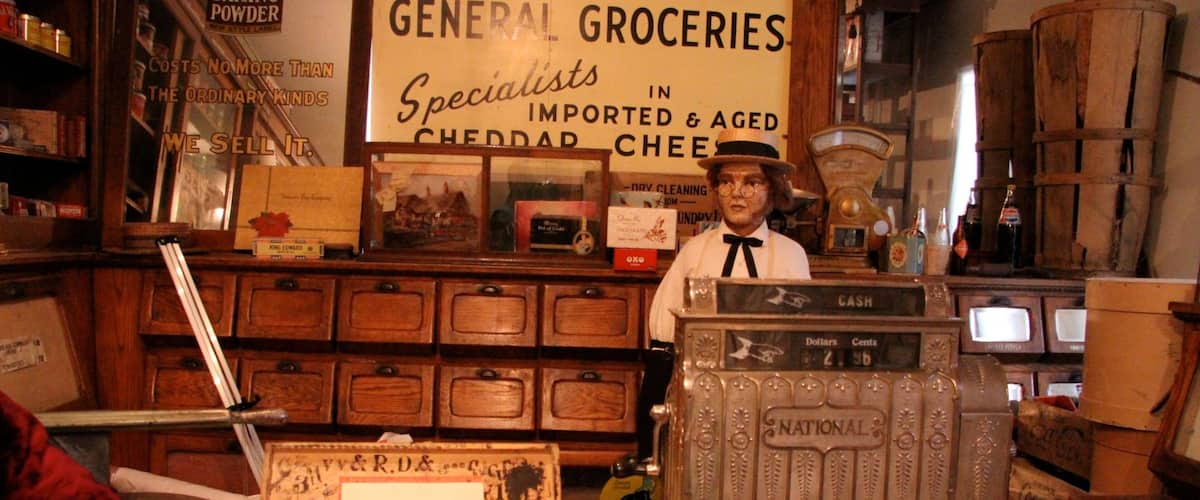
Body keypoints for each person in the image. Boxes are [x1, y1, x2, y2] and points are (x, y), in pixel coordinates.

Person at [636, 127, 811, 459]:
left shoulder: (790, 255)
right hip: (701, 398)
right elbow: (663, 337)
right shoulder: (694, 251)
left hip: (767, 399)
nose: (737, 193)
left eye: (752, 182)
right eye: (727, 182)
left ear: (773, 189)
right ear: (715, 188)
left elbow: (800, 338)